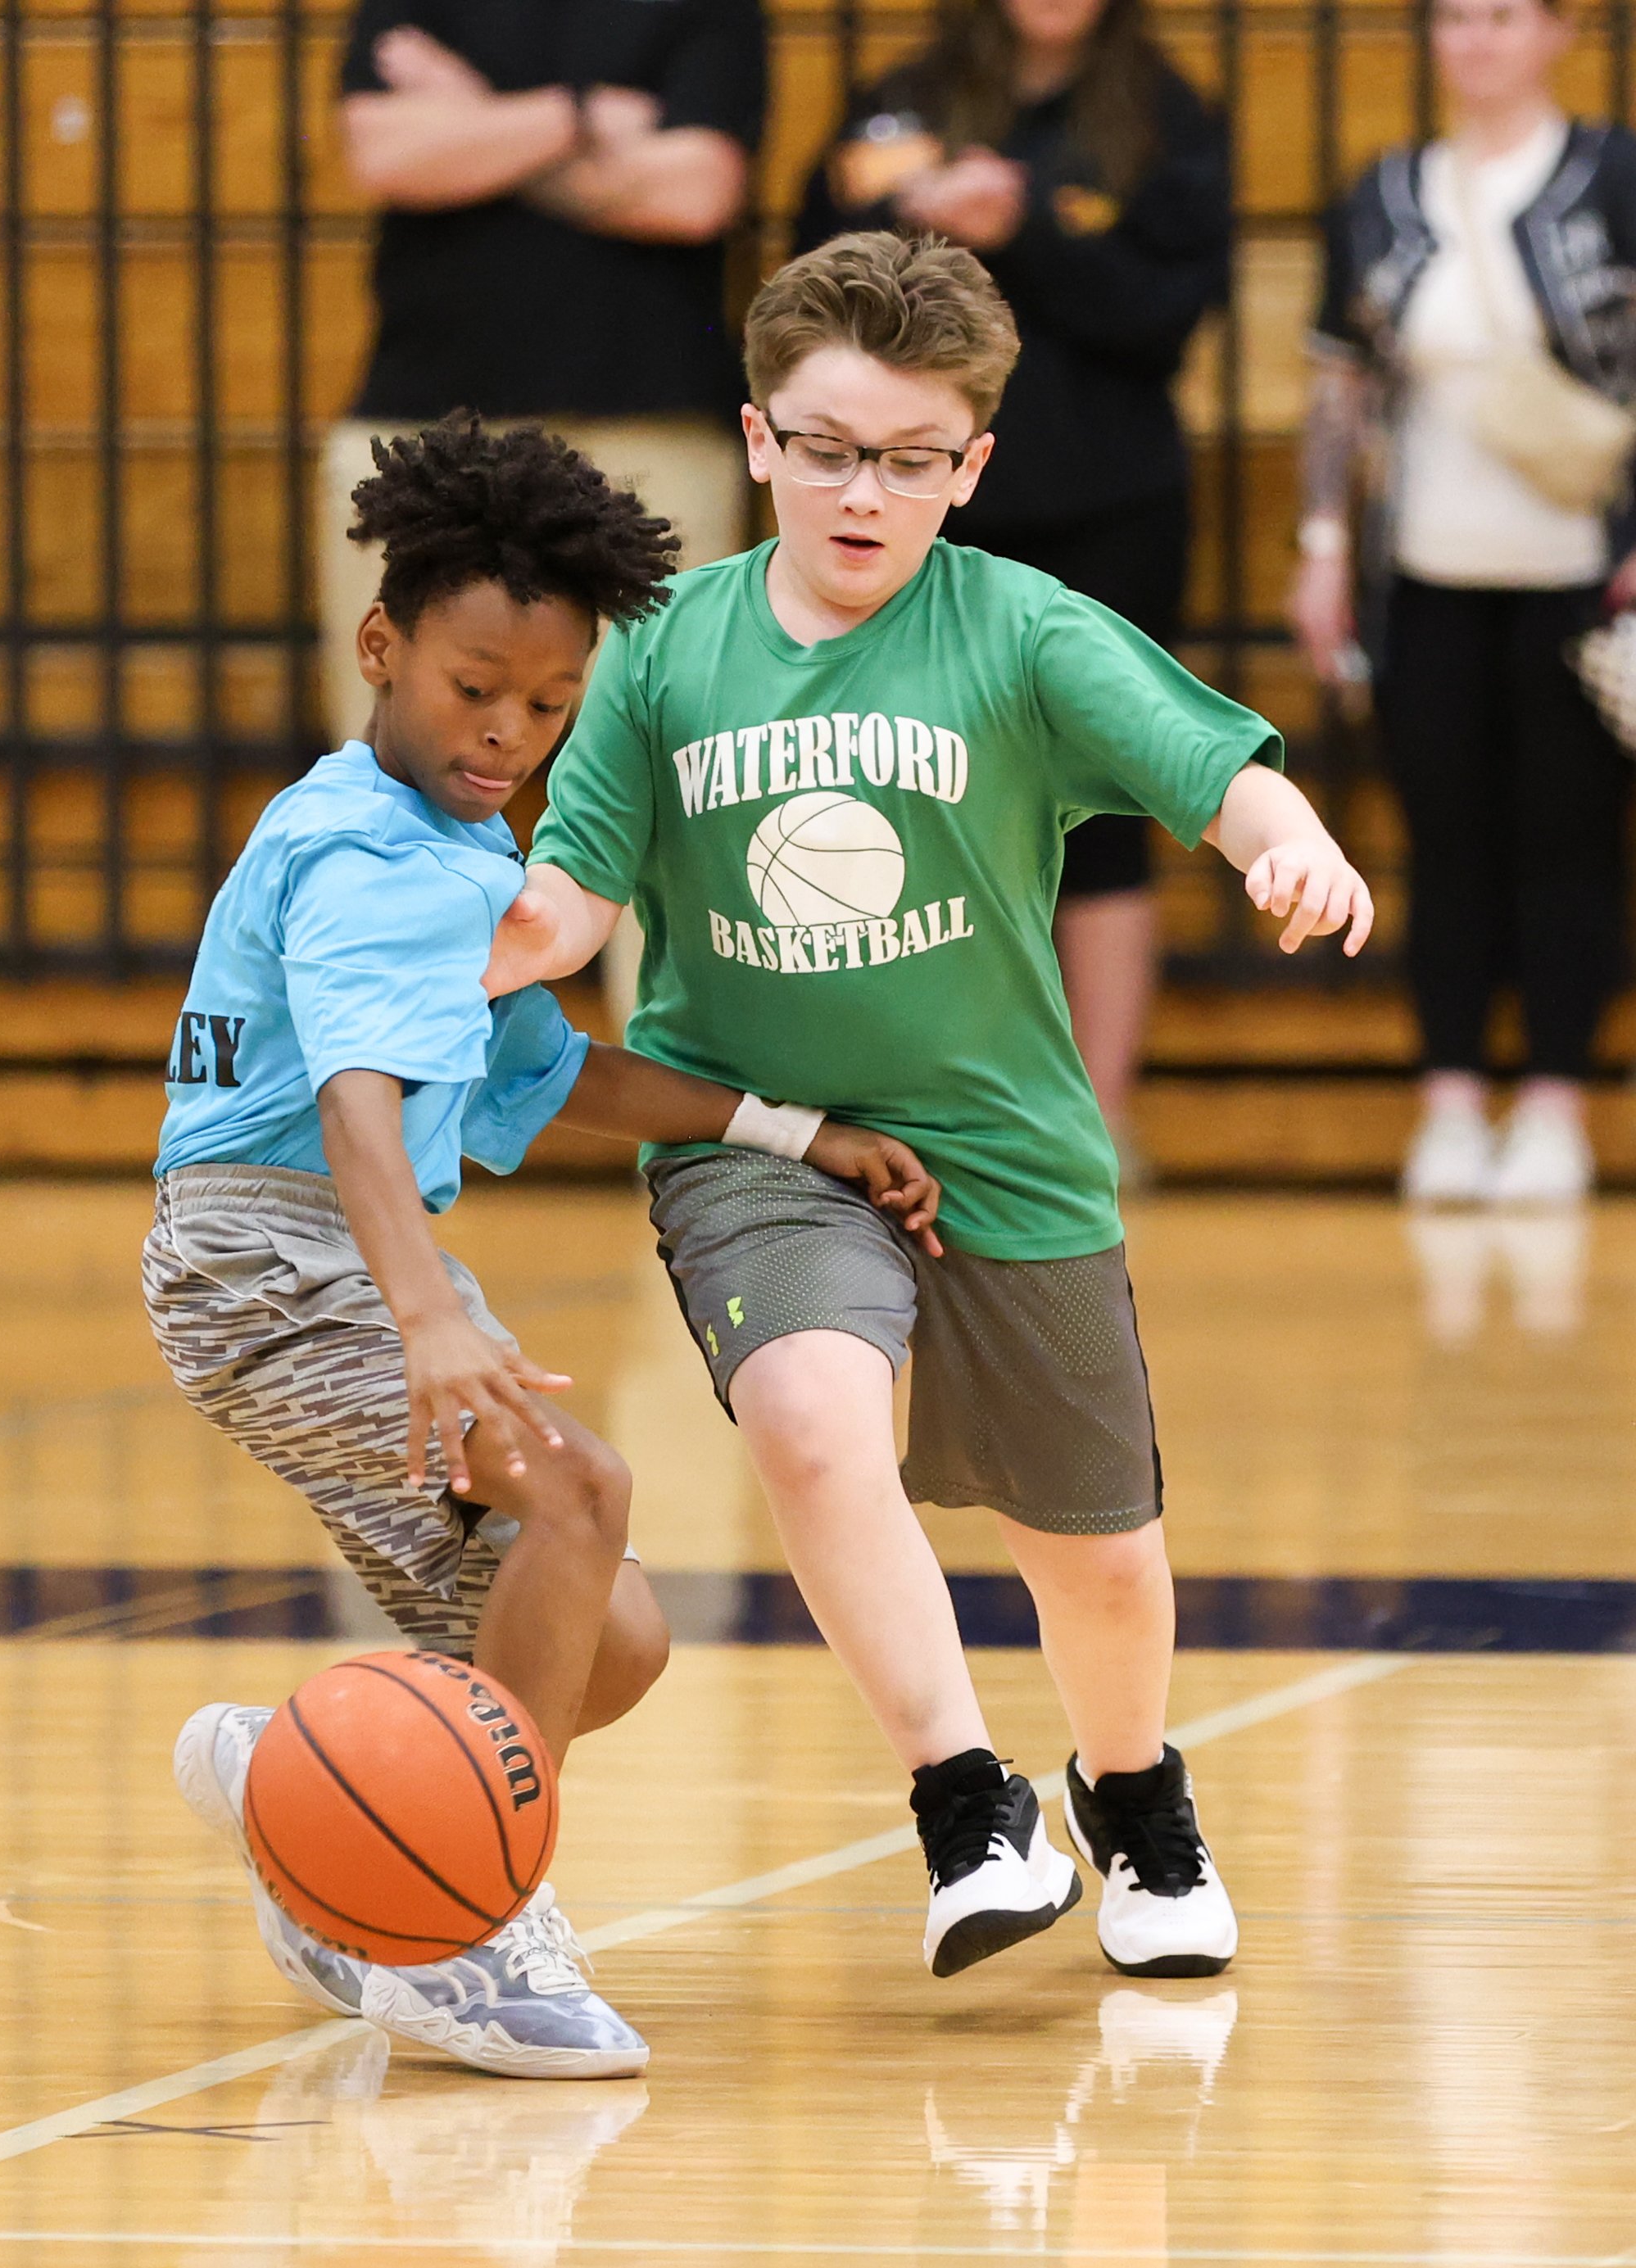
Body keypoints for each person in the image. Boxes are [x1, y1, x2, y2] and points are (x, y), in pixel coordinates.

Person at [492, 232, 1373, 1983]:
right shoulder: (665, 654)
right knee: (813, 1420)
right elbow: (573, 893)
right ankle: (965, 1801)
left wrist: (1297, 849)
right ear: (757, 439)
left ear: (969, 467)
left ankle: (1128, 1793)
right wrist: (466, 958)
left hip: (1005, 1148)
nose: (859, 490)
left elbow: (1219, 772)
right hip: (759, 1137)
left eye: (906, 458)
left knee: (1099, 1560)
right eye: (824, 446)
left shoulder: (1024, 631)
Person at [145, 417, 942, 2078]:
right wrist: (430, 1317)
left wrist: (790, 1131)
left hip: (318, 1260)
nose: (507, 730)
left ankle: (301, 1784)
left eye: (548, 703)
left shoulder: (450, 848)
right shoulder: (371, 850)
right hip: (279, 1263)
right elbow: (361, 1095)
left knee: (610, 1633)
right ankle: (465, 1935)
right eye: (472, 686)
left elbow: (549, 1062)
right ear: (382, 647)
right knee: (578, 1494)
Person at [794, 0, 1232, 1175]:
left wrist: (1026, 230)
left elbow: (1165, 315)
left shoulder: (1163, 115)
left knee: (1102, 811)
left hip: (1105, 507)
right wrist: (918, 236)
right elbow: (811, 278)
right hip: (911, 506)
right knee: (902, 789)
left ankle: (1092, 1122)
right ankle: (908, 1103)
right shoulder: (899, 101)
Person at [1293, 0, 1636, 1206]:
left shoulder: (1612, 176)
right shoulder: (1383, 192)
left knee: (1568, 845)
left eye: (1501, 15)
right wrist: (1321, 546)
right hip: (1422, 581)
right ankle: (1445, 1100)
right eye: (1452, 17)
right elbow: (1338, 385)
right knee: (1438, 847)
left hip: (1582, 584)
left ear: (1559, 33)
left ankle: (1551, 1105)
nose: (1473, 39)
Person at [322, 0, 767, 751]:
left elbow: (694, 194)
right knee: (392, 770)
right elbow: (385, 156)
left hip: (651, 430)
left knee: (668, 765)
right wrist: (582, 118)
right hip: (421, 430)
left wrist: (478, 118)